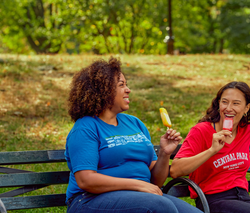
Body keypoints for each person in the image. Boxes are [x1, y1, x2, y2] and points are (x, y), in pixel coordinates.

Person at [64, 57, 203, 213]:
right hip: (90, 200)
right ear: (102, 90)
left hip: (141, 197)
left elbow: (156, 181)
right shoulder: (86, 127)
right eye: (121, 85)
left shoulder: (134, 124)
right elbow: (86, 180)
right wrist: (138, 185)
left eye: (126, 84)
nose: (128, 89)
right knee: (161, 206)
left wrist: (164, 153)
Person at [170, 81, 250, 213]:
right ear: (218, 104)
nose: (228, 108)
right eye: (224, 102)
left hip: (243, 197)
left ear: (246, 108)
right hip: (212, 200)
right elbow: (175, 170)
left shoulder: (244, 129)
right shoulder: (201, 131)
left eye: (236, 103)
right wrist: (212, 150)